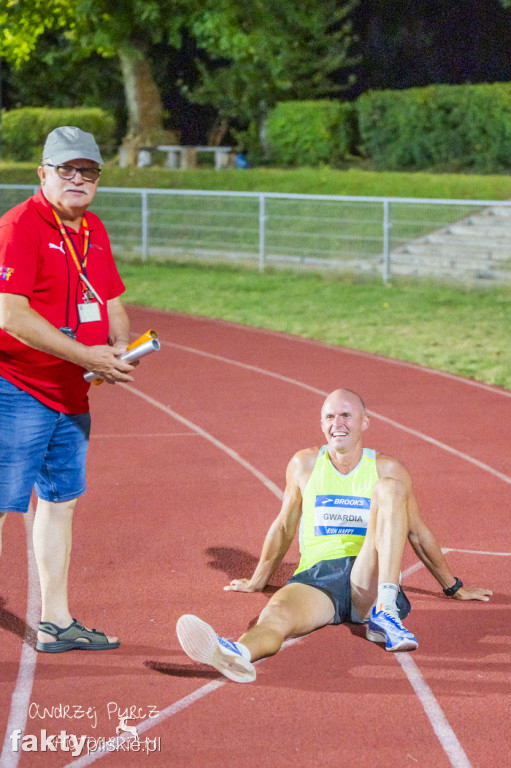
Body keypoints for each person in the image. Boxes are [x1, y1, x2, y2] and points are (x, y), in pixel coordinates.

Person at [176, 388, 492, 683]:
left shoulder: (387, 468)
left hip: (366, 574)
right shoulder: (304, 464)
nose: (337, 424)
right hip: (319, 578)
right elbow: (285, 525)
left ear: (365, 422)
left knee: (390, 489)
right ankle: (237, 653)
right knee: (275, 615)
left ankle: (385, 610)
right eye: (329, 417)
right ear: (321, 424)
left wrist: (454, 588)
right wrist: (258, 580)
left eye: (346, 416)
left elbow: (418, 534)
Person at [0, 126, 137, 652]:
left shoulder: (93, 229)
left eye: (88, 171)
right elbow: (11, 316)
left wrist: (119, 347)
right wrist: (85, 353)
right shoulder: (20, 225)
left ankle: (55, 620)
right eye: (66, 170)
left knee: (60, 505)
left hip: (71, 394)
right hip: (16, 387)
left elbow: (110, 298)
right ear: (43, 174)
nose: (78, 179)